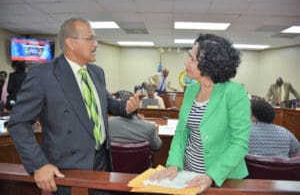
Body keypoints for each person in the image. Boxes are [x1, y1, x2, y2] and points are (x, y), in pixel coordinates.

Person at [8, 17, 140, 195]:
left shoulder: (97, 72)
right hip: (67, 169)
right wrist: (38, 164)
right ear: (71, 43)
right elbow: (18, 122)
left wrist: (125, 107)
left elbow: (103, 103)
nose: (96, 44)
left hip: (102, 163)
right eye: (91, 39)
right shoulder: (43, 74)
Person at [149, 34, 251, 193]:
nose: (186, 62)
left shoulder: (235, 93)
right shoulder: (191, 90)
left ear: (209, 65)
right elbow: (181, 132)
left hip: (223, 178)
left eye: (192, 58)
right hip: (188, 175)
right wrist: (173, 164)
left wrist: (211, 175)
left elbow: (240, 144)